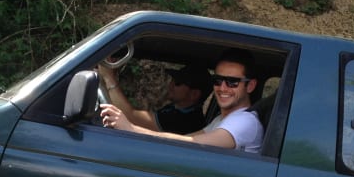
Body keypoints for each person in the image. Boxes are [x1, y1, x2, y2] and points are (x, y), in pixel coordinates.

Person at [100, 48, 263, 153]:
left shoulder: (245, 122)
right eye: (218, 80)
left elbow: (191, 143)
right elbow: (185, 138)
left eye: (232, 82)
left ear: (250, 86)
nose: (223, 88)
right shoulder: (223, 120)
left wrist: (131, 129)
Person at [98, 62, 211, 135]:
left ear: (194, 94)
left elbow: (130, 116)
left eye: (178, 82)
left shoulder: (185, 121)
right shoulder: (178, 109)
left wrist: (109, 77)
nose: (171, 83)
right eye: (173, 78)